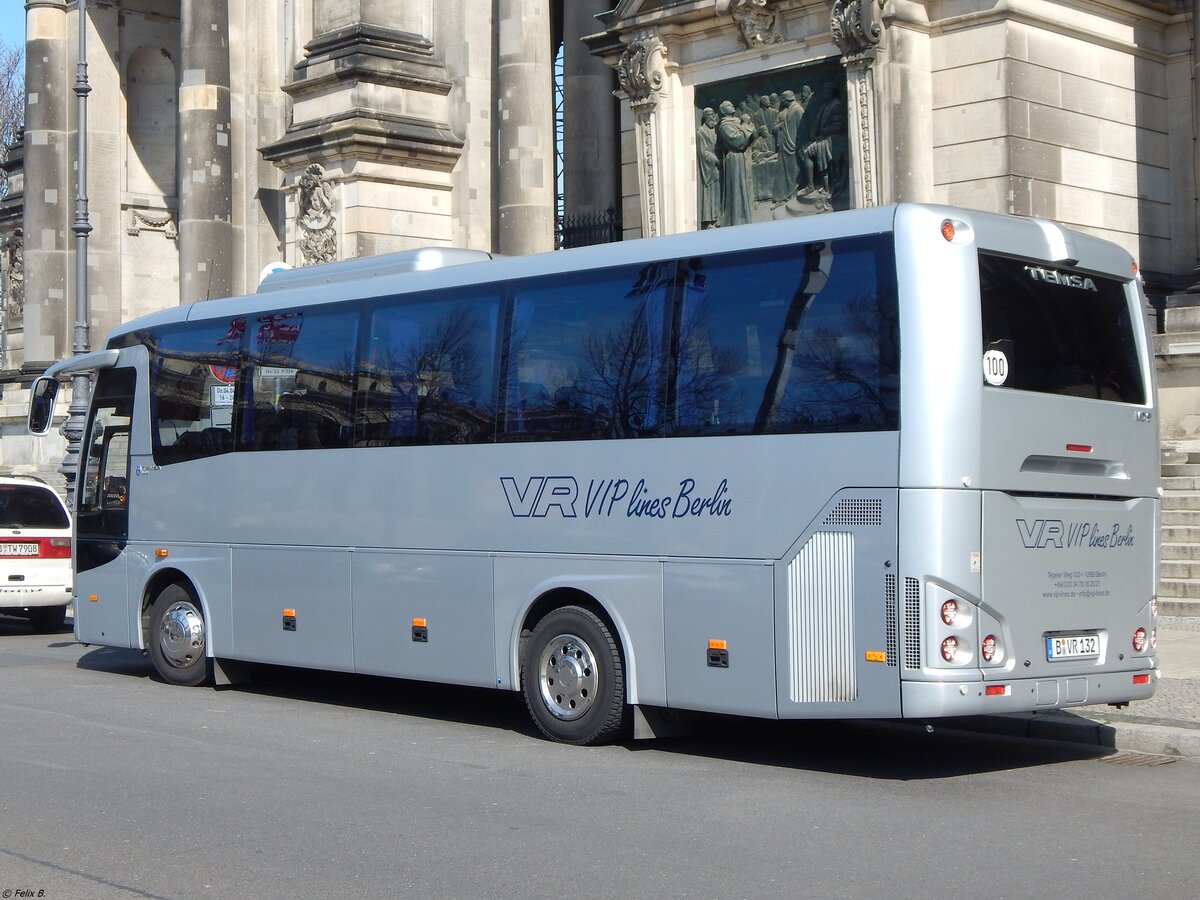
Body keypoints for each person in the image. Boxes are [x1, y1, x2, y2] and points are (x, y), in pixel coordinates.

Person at [716, 100, 756, 226]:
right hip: (735, 159)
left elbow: (752, 135)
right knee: (738, 188)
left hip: (743, 158)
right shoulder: (725, 126)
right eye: (728, 105)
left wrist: (746, 124)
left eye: (731, 104)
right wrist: (745, 124)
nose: (732, 105)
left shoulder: (736, 121)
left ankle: (746, 214)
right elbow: (738, 142)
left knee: (744, 186)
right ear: (723, 111)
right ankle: (738, 218)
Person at [696, 108, 721, 230]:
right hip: (708, 167)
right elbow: (702, 152)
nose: (712, 117)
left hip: (717, 168)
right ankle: (708, 220)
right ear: (704, 117)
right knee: (709, 193)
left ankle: (717, 216)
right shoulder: (701, 132)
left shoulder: (715, 131)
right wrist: (714, 159)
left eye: (713, 114)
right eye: (709, 115)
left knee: (716, 192)